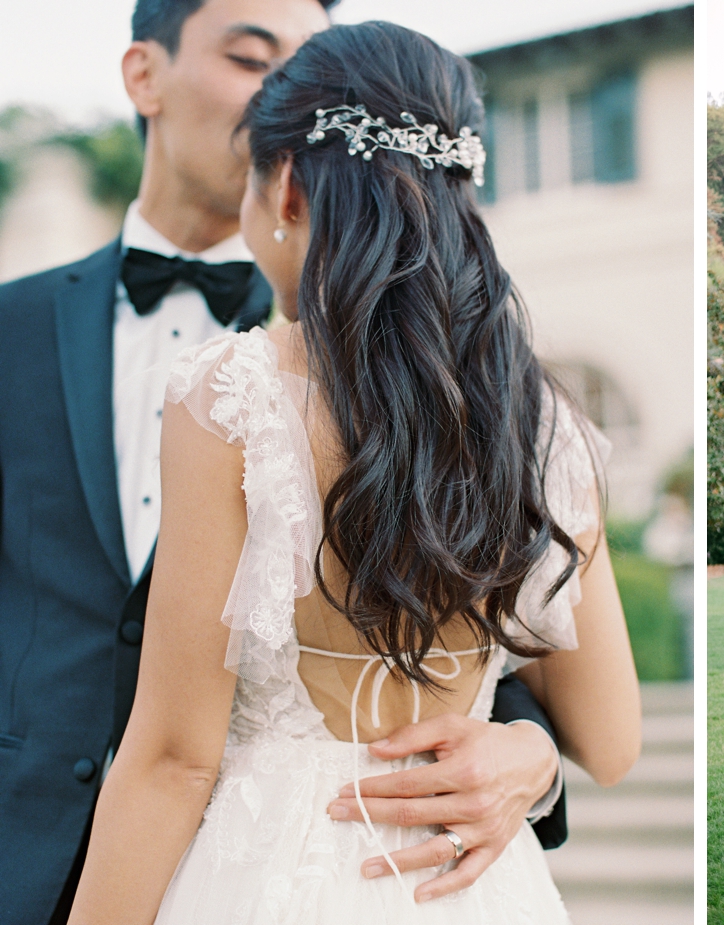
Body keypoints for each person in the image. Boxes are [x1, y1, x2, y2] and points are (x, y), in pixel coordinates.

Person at [0, 3, 575, 922]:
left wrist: (531, 755)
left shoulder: (402, 360)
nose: (289, 92)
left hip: (281, 869)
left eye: (309, 69)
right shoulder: (10, 332)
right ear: (144, 73)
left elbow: (465, 623)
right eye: (252, 58)